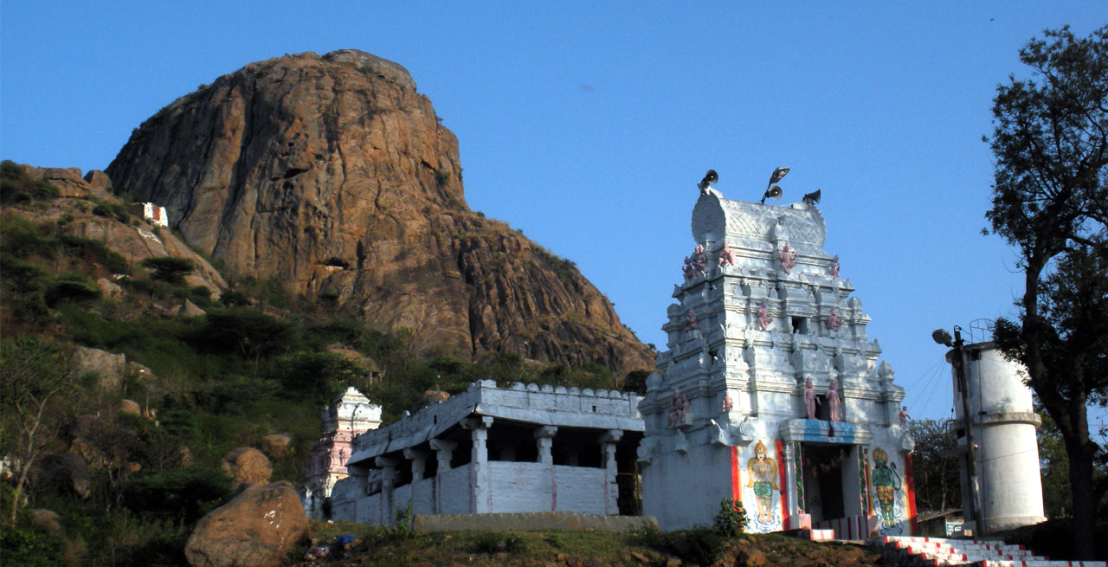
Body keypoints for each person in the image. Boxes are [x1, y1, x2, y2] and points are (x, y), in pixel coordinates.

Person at [746, 440, 779, 523]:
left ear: (765, 454)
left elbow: (771, 474)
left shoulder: (769, 463)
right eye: (759, 453)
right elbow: (752, 474)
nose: (760, 455)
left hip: (767, 483)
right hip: (758, 483)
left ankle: (769, 514)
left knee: (768, 499)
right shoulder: (753, 463)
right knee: (759, 499)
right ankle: (761, 514)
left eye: (762, 453)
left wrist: (766, 475)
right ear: (756, 454)